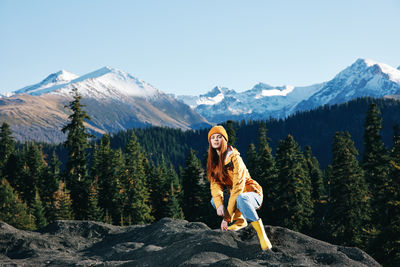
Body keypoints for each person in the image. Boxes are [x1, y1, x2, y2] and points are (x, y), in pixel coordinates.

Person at [207, 125, 272, 251]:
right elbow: (215, 185)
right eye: (212, 137)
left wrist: (226, 218)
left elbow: (238, 188)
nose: (215, 139)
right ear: (210, 142)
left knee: (241, 198)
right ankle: (240, 222)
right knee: (214, 200)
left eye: (219, 137)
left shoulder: (235, 158)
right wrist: (219, 205)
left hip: (252, 194)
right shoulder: (214, 162)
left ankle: (262, 235)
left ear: (224, 140)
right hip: (237, 197)